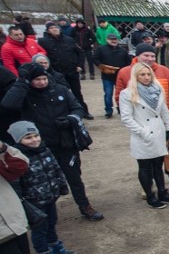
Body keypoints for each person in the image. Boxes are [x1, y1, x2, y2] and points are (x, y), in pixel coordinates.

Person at [2, 63, 105, 221]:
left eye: (44, 78)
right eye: (37, 79)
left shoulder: (60, 90)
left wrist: (70, 120)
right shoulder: (25, 94)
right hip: (39, 147)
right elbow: (8, 104)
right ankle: (43, 212)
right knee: (42, 180)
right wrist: (22, 82)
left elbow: (77, 108)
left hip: (65, 143)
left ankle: (85, 206)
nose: (42, 82)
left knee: (74, 178)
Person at [114, 44, 169, 194]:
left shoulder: (164, 70)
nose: (149, 59)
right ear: (138, 56)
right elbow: (119, 97)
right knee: (147, 159)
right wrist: (140, 128)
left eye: (152, 56)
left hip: (163, 121)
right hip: (143, 124)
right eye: (146, 55)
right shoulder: (125, 72)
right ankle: (148, 187)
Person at [7, 121, 77, 254]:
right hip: (34, 201)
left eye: (36, 135)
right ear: (18, 140)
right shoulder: (17, 158)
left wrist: (62, 186)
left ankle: (54, 245)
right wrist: (22, 201)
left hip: (50, 196)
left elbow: (56, 168)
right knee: (40, 229)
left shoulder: (45, 149)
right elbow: (16, 183)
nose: (34, 140)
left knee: (52, 222)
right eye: (28, 137)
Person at [119, 62, 169, 209]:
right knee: (145, 167)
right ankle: (150, 196)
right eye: (142, 74)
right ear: (136, 76)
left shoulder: (157, 90)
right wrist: (143, 132)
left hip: (158, 132)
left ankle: (162, 192)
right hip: (143, 135)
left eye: (148, 74)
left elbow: (164, 110)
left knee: (158, 165)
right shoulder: (127, 93)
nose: (146, 77)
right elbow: (126, 118)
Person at [38, 21, 93, 120]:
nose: (55, 29)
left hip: (72, 71)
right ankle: (66, 115)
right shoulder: (43, 41)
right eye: (52, 28)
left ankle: (84, 112)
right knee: (60, 94)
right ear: (47, 31)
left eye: (56, 27)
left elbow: (80, 52)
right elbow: (41, 56)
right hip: (56, 73)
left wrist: (80, 65)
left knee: (77, 93)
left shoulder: (69, 40)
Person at [92, 32, 131, 119]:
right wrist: (102, 66)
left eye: (115, 39)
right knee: (108, 94)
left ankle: (121, 109)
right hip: (107, 76)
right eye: (111, 39)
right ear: (107, 40)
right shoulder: (101, 49)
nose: (113, 41)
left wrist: (125, 71)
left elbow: (128, 62)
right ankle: (108, 111)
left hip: (120, 76)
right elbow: (95, 58)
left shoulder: (123, 50)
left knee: (122, 94)